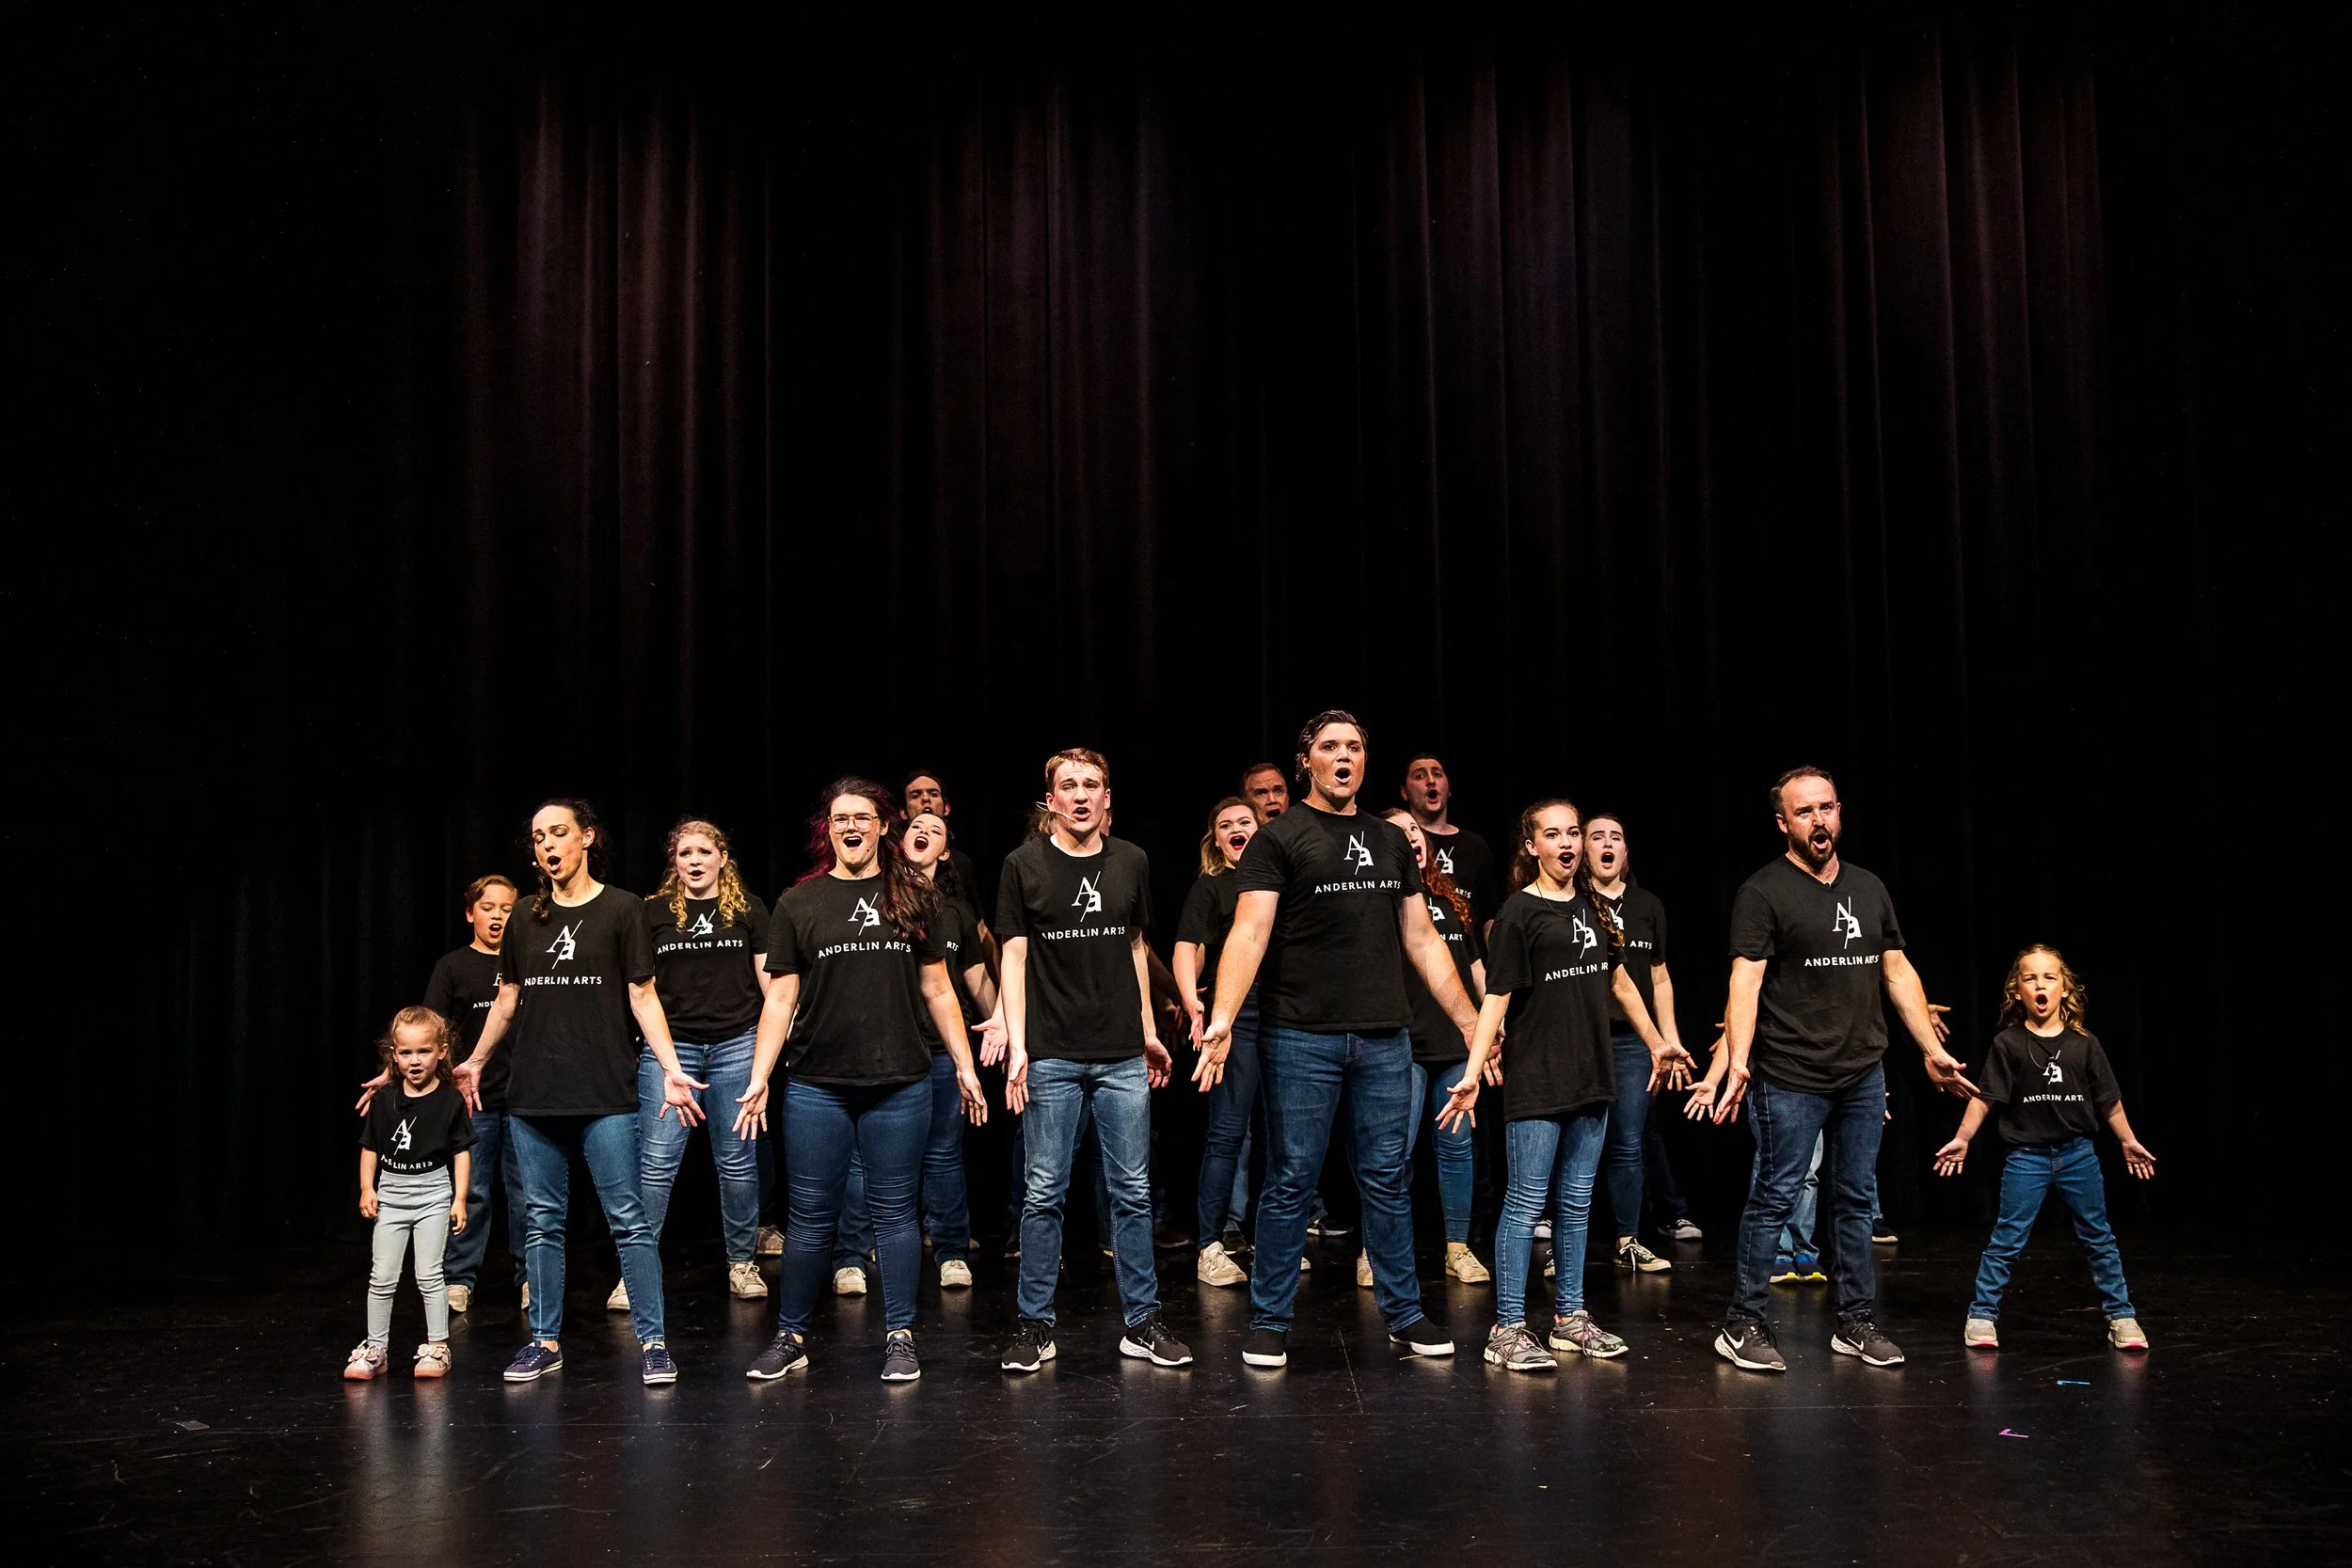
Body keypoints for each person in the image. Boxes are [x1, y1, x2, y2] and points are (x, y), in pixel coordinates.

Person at [1197, 710, 1469, 1370]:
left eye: (1354, 747)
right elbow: (1250, 932)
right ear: (1306, 762)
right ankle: (1269, 1320)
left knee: (1387, 1178)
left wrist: (1471, 1022)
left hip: (1384, 1037)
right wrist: (1223, 1017)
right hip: (1299, 1037)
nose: (1343, 756)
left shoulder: (1390, 838)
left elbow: (1423, 939)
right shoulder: (1278, 838)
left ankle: (1404, 1313)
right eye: (1329, 747)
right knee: (1291, 1178)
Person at [1708, 767, 1976, 1375]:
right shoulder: (1763, 891)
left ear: (1839, 812)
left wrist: (1929, 1048)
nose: (1818, 820)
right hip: (1790, 1075)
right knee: (1774, 1197)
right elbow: (1745, 982)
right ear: (1783, 823)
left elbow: (1897, 971)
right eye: (1804, 811)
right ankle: (1742, 1323)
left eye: (1826, 807)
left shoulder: (1868, 887)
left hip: (1861, 1073)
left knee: (1855, 1200)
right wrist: (1739, 1060)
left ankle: (1856, 1321)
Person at [737, 780, 989, 1384]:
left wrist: (964, 1064)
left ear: (882, 826)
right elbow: (781, 999)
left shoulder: (913, 896)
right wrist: (759, 1076)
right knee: (810, 1217)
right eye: (839, 819)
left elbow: (939, 989)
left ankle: (900, 1337)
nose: (850, 827)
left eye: (862, 817)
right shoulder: (800, 903)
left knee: (896, 1213)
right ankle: (791, 1337)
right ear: (828, 830)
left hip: (899, 1082)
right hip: (817, 1086)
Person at [456, 799, 707, 1386]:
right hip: (533, 1095)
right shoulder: (525, 915)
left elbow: (643, 995)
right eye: (538, 837)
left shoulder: (622, 909)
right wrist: (475, 1061)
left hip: (605, 1093)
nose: (547, 845)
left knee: (629, 1219)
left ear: (586, 837)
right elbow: (508, 997)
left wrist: (670, 1068)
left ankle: (654, 1343)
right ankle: (544, 1341)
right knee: (542, 1220)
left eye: (558, 833)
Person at [1438, 800, 1693, 1370]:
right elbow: (1497, 997)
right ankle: (1507, 1328)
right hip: (1538, 1077)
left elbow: (1621, 982)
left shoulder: (1593, 906)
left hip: (1592, 1074)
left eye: (1573, 833)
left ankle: (1570, 1318)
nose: (1568, 843)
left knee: (1577, 1203)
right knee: (1526, 1203)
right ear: (1531, 846)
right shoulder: (1518, 912)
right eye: (1552, 834)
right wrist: (1473, 1072)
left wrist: (1657, 1042)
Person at [995, 749, 1193, 1372]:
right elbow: (1014, 957)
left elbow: (1135, 947)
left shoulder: (1130, 859)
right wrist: (1019, 1044)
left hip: (1120, 1055)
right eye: (1068, 785)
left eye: (1091, 785)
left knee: (1132, 1192)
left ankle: (1142, 1322)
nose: (1080, 795)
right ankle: (1035, 1325)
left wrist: (1147, 1032)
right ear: (1051, 799)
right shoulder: (1023, 865)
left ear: (1107, 798)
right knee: (1042, 1194)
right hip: (1052, 1052)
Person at [1934, 945, 2153, 1352]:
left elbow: (2109, 1100)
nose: (2040, 985)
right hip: (2027, 1158)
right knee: (2007, 1238)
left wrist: (2127, 1140)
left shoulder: (2084, 1044)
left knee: (2098, 1238)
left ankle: (2121, 1316)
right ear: (2017, 991)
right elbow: (1985, 1098)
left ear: (2064, 988)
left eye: (2049, 977)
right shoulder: (2008, 1043)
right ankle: (1982, 1315)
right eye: (2030, 978)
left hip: (2078, 1155)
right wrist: (1963, 1138)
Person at [835, 812, 994, 1291]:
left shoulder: (954, 911)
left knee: (943, 1154)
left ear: (945, 853)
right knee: (864, 1157)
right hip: (882, 1048)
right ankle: (852, 1256)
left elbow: (974, 979)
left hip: (940, 1050)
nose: (923, 832)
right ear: (899, 840)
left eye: (936, 829)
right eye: (915, 827)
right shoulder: (872, 899)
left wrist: (1001, 1026)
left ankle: (951, 1252)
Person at [629, 818, 772, 1308]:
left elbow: (770, 985)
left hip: (737, 1044)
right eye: (685, 853)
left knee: (737, 1160)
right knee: (655, 1164)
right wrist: (660, 1052)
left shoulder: (749, 909)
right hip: (672, 1050)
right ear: (674, 862)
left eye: (704, 852)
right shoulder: (652, 913)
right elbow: (640, 988)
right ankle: (636, 1272)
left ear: (722, 859)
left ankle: (742, 1263)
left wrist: (775, 1050)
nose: (694, 861)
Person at [1378, 806, 1490, 1285]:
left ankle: (1458, 1248)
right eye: (1400, 832)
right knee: (1394, 1153)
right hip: (1404, 1042)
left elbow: (1475, 964)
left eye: (1415, 829)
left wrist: (1488, 1026)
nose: (1412, 836)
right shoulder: (1383, 899)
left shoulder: (1448, 896)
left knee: (1457, 1149)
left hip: (1453, 1045)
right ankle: (1377, 1251)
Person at [1581, 814, 1695, 1272]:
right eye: (1597, 837)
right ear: (1583, 849)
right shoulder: (1574, 903)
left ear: (1626, 853)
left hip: (1632, 1043)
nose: (1607, 844)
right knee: (1576, 1139)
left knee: (1629, 1141)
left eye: (1616, 837)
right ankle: (1562, 1239)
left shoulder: (1647, 905)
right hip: (1584, 1038)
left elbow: (1659, 977)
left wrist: (1668, 1041)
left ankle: (1627, 1239)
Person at [346, 1006, 473, 1381]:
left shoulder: (450, 1100)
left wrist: (459, 1198)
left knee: (430, 1275)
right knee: (382, 1276)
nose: (415, 1061)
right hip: (392, 1194)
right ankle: (376, 1348)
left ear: (442, 1052)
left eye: (424, 1051)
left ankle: (438, 1347)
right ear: (394, 1055)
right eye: (406, 1052)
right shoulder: (384, 1099)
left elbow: (461, 1152)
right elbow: (370, 1147)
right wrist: (367, 1187)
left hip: (433, 1193)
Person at [419, 875, 523, 1315]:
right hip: (471, 1100)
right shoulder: (453, 966)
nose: (497, 916)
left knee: (526, 1192)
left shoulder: (529, 961)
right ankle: (459, 1277)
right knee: (472, 1191)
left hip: (525, 1097)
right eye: (488, 907)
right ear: (470, 913)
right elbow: (430, 1029)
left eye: (507, 909)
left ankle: (531, 1278)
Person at [1176, 797, 1262, 1286]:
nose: (1235, 829)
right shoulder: (1212, 887)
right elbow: (1187, 947)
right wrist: (1193, 1003)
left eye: (1244, 822)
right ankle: (1210, 1246)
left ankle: (1276, 1241)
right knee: (1228, 1133)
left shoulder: (1281, 883)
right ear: (1216, 839)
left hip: (1292, 1017)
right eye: (1225, 825)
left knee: (1289, 1138)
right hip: (1238, 1019)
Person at [1401, 753, 1501, 929]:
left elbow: (1489, 915)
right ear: (1404, 792)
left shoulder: (1474, 846)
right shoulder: (1400, 841)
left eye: (1437, 774)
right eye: (1420, 776)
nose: (1431, 781)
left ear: (1449, 789)